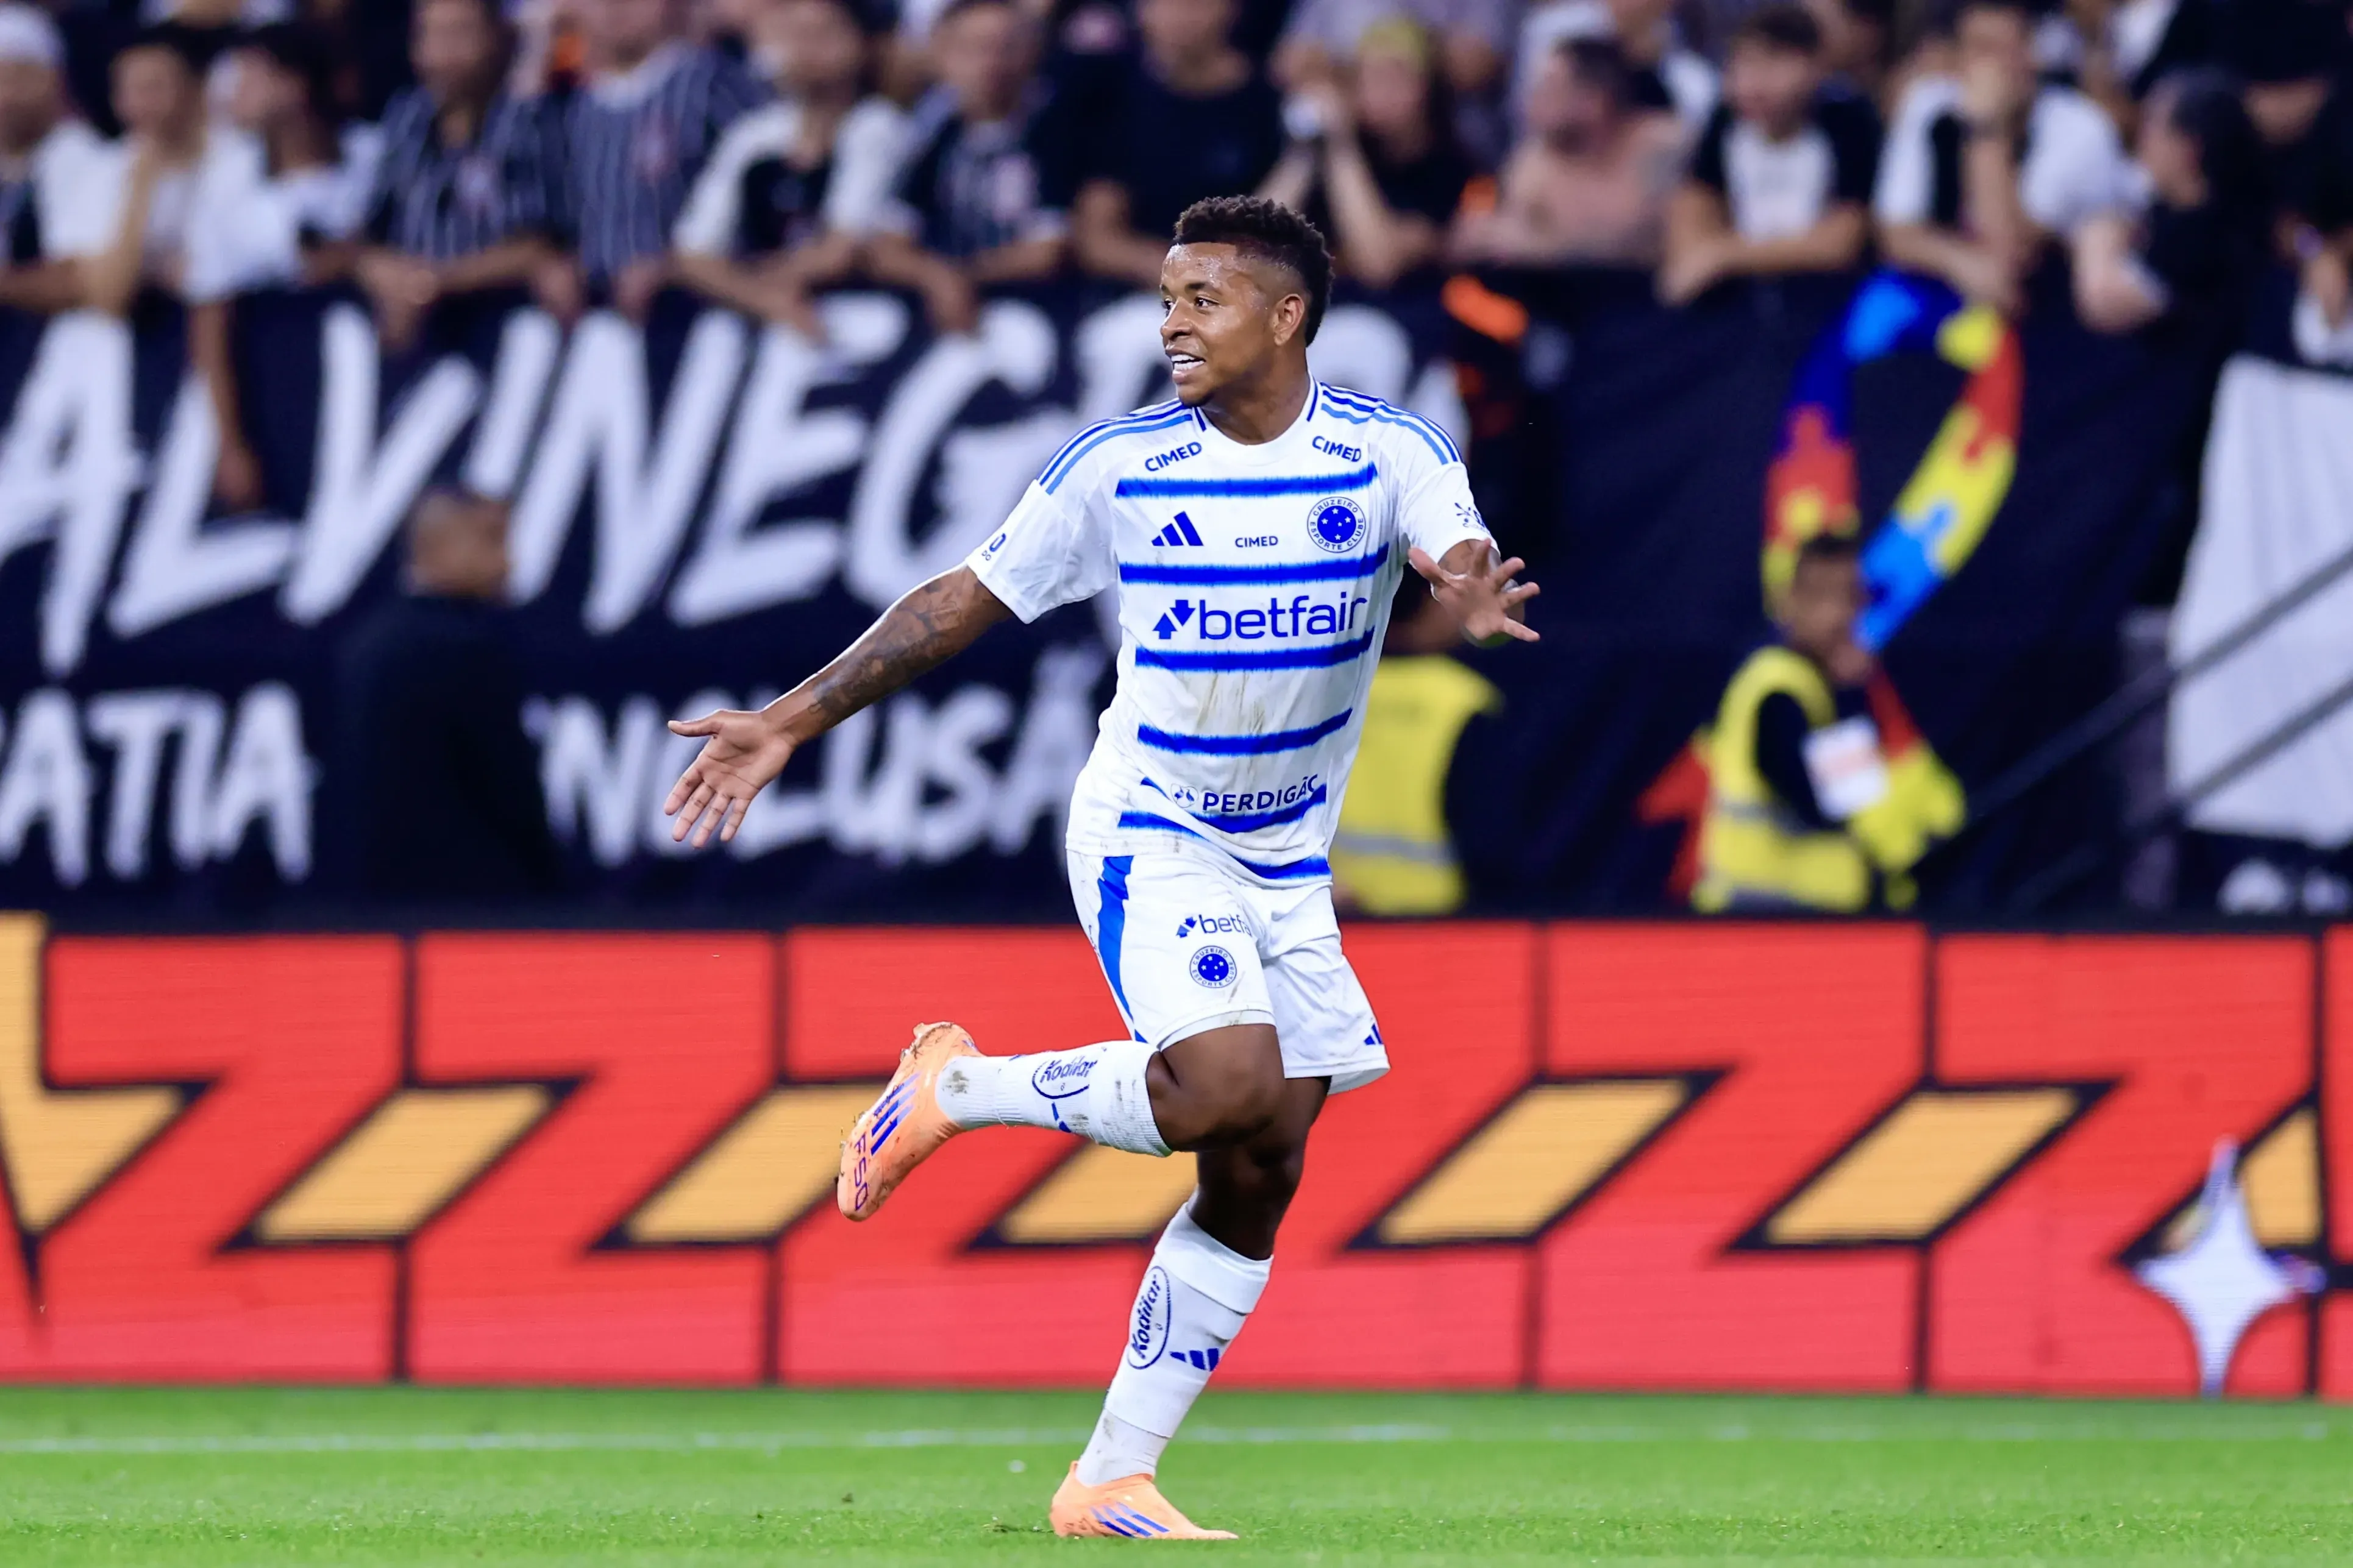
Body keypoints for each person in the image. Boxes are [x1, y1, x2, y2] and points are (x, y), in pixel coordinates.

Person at [657, 196, 1536, 1538]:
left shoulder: (1383, 448)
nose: (1170, 322)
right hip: (1151, 823)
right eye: (1167, 297)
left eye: (1204, 298)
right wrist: (788, 715)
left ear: (1286, 316)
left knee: (1263, 1161)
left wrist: (1463, 584)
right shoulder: (1119, 466)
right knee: (1222, 1082)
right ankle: (956, 1084)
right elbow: (956, 603)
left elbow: (1449, 537)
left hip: (1285, 860)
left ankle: (1109, 1475)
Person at [1693, 533, 1960, 912]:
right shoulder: (1775, 689)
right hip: (1762, 921)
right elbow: (1831, 800)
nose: (1838, 614)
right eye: (1821, 597)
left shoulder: (1825, 685)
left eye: (1849, 597)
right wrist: (1852, 696)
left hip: (1819, 918)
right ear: (1790, 603)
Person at [334, 488, 565, 904]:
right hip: (473, 912)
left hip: (372, 910)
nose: (508, 562)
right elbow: (513, 793)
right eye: (492, 541)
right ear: (439, 545)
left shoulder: (363, 645)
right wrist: (549, 888)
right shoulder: (468, 649)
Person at [185, 24, 379, 510]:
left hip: (377, 391)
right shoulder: (226, 182)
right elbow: (210, 318)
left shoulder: (376, 156)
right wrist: (229, 443)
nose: (235, 93)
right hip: (277, 401)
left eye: (251, 77)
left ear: (294, 86)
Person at [1873, 0, 2127, 314]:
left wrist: (1986, 130)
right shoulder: (1929, 104)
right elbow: (1895, 232)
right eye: (1984, 50)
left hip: (2047, 312)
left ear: (2033, 55)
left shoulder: (2081, 128)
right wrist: (1960, 262)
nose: (1998, 67)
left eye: (2011, 49)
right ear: (1958, 59)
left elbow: (2011, 254)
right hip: (1948, 292)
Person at [671, 0, 905, 330]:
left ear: (862, 46)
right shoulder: (752, 136)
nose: (807, 49)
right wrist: (763, 299)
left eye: (823, 35)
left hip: (852, 319)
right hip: (759, 322)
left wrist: (756, 281)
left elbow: (841, 251)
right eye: (796, 35)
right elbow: (694, 254)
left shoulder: (877, 127)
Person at [357, 0, 568, 350]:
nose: (443, 53)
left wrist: (435, 282)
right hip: (417, 341)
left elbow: (540, 246)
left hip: (505, 332)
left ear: (498, 39)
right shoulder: (405, 117)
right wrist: (385, 275)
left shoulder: (531, 120)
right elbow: (368, 236)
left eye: (460, 34)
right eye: (431, 35)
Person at [552, 0, 767, 319]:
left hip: (702, 310)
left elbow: (762, 198)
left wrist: (673, 267)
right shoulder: (571, 107)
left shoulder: (713, 82)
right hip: (594, 319)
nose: (615, 8)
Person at [866, 0, 1067, 335]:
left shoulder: (1055, 132)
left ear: (1034, 52)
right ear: (942, 57)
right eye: (972, 49)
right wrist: (937, 277)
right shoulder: (934, 137)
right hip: (945, 309)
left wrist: (963, 277)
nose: (991, 63)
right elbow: (886, 247)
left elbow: (1048, 252)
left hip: (1038, 312)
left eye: (1006, 47)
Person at [1660, 3, 1880, 304]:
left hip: (1824, 294)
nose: (1755, 84)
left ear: (1816, 66)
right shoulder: (1725, 120)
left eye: (1773, 63)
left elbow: (1843, 239)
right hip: (1741, 296)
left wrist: (1725, 255)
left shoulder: (1848, 119)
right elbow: (1695, 198)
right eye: (1744, 65)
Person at [1070, 0, 1284, 288]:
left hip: (1253, 283)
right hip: (1145, 293)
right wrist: (1182, 271)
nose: (1179, 18)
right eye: (1164, 4)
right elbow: (1098, 238)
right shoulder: (1115, 97)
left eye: (1195, 5)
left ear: (1231, 9)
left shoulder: (1271, 100)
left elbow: (1290, 223)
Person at [1259, 18, 1474, 291]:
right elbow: (1253, 242)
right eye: (1364, 77)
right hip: (1318, 307)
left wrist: (1342, 149)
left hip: (1402, 313)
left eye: (1393, 77)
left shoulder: (1449, 168)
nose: (1377, 91)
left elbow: (1379, 265)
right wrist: (1305, 151)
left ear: (1429, 86)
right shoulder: (1340, 146)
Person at [1453, 38, 1684, 268]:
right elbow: (1494, 240)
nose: (1533, 101)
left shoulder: (1662, 146)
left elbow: (1655, 243)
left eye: (1549, 87)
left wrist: (1545, 246)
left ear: (1593, 100)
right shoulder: (1534, 162)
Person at [2071, 67, 2267, 332]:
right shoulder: (2159, 207)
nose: (2143, 137)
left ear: (2190, 148)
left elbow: (2105, 300)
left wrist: (2095, 234)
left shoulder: (2206, 237)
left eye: (2154, 124)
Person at [78, 25, 212, 315]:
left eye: (155, 88)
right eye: (132, 91)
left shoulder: (234, 158)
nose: (144, 105)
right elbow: (109, 297)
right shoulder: (104, 170)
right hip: (141, 338)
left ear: (195, 90)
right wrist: (141, 185)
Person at [0, 4, 120, 313]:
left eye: (19, 78)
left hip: (65, 346)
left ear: (54, 79)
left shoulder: (81, 155)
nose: (7, 96)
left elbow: (79, 282)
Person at [1272, 0, 1515, 102]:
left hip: (1448, 137)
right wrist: (1356, 69)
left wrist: (1408, 48)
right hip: (1352, 132)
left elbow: (1474, 68)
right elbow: (1286, 66)